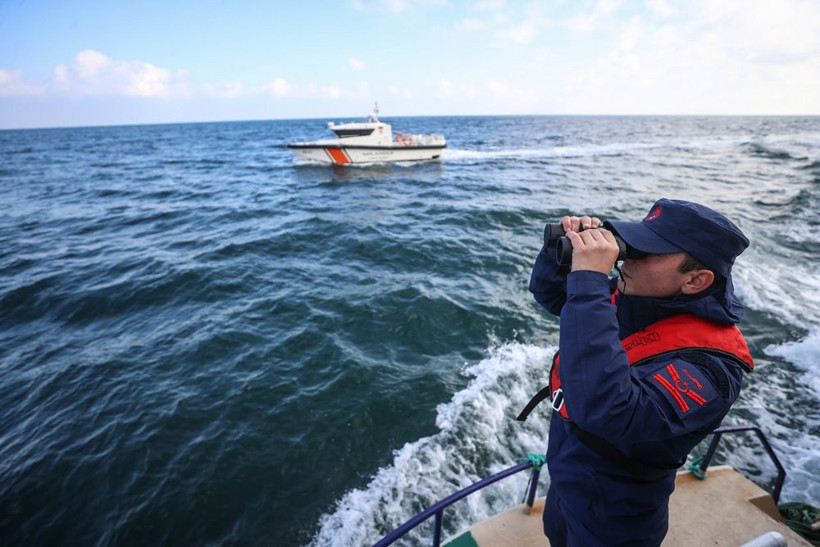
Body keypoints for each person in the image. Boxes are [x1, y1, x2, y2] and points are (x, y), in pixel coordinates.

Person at [517, 198, 753, 546]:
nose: (627, 257)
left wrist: (590, 279)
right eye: (634, 243)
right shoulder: (641, 295)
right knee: (557, 534)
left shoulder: (712, 370)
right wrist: (560, 252)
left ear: (695, 280)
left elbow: (608, 409)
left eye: (647, 252)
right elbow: (553, 294)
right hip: (568, 476)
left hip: (616, 514)